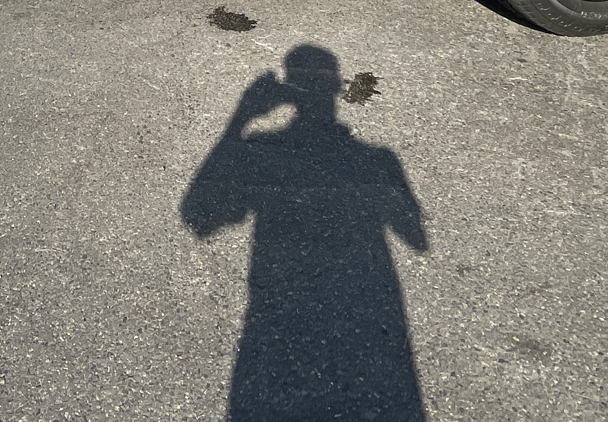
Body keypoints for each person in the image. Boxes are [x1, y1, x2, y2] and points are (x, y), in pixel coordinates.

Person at [182, 46, 429, 420]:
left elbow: (201, 217)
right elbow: (418, 240)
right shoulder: (380, 160)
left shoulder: (260, 148)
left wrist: (240, 118)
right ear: (335, 89)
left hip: (275, 330)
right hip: (373, 329)